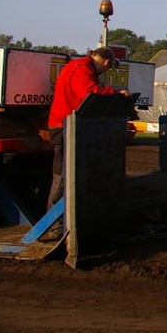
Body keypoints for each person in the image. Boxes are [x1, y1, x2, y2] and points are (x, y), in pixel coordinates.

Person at [45, 47, 130, 235]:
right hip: (64, 125)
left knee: (68, 174)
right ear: (106, 63)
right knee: (64, 175)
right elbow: (89, 92)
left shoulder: (80, 67)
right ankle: (55, 224)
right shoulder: (82, 68)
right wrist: (115, 93)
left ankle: (63, 221)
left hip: (67, 124)